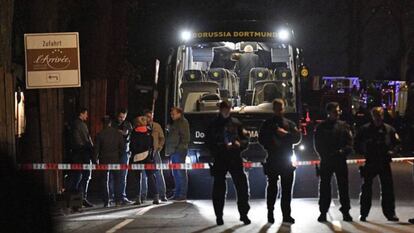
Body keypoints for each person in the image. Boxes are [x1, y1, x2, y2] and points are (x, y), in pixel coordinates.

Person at [207, 101, 251, 226]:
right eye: (223, 109)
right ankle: (219, 216)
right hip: (220, 158)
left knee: (242, 187)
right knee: (219, 189)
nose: (226, 111)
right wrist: (219, 148)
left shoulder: (236, 123)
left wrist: (240, 145)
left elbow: (245, 139)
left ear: (230, 109)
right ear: (220, 110)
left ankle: (244, 214)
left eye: (227, 109)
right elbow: (209, 142)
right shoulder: (214, 124)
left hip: (234, 157)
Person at [258, 99, 300, 224]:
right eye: (277, 108)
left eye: (280, 108)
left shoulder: (289, 123)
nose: (279, 111)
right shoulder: (267, 124)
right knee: (272, 188)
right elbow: (261, 139)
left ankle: (286, 215)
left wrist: (285, 134)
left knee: (286, 190)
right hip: (273, 157)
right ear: (274, 109)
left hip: (286, 158)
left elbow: (297, 138)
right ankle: (270, 213)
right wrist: (272, 141)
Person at [356, 107, 400, 222]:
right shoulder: (365, 130)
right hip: (370, 161)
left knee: (388, 190)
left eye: (380, 116)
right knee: (366, 189)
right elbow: (356, 143)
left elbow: (397, 144)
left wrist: (393, 151)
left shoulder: (389, 129)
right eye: (376, 116)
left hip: (384, 161)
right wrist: (364, 150)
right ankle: (363, 213)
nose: (378, 119)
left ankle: (390, 213)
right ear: (372, 116)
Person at [314, 102, 353, 222]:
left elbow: (350, 143)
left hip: (340, 160)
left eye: (338, 111)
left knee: (343, 187)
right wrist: (325, 156)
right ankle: (323, 212)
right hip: (327, 160)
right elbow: (317, 144)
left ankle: (345, 211)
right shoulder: (321, 127)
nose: (338, 113)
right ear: (329, 112)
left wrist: (343, 152)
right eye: (335, 111)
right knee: (325, 188)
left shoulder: (344, 126)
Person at [94, 116, 125, 207]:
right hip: (115, 159)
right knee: (117, 180)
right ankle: (118, 200)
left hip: (104, 160)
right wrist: (119, 157)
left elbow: (96, 150)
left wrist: (95, 160)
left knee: (104, 181)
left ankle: (106, 201)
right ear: (110, 123)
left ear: (103, 124)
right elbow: (122, 148)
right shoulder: (118, 134)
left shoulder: (100, 134)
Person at [130, 111, 159, 205]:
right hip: (148, 158)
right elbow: (152, 145)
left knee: (137, 178)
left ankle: (138, 198)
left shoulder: (134, 133)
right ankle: (156, 197)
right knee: (151, 177)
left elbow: (132, 146)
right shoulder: (149, 133)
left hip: (137, 157)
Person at [67, 107, 94, 208]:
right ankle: (81, 198)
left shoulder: (73, 124)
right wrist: (91, 151)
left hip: (75, 155)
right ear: (81, 114)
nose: (87, 116)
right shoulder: (81, 125)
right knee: (84, 177)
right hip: (83, 155)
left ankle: (75, 201)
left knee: (76, 177)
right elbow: (86, 140)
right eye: (86, 114)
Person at [165, 107, 190, 202]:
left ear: (179, 113)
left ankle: (182, 194)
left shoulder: (183, 122)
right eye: (171, 114)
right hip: (173, 151)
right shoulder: (175, 123)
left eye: (173, 114)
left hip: (179, 151)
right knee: (175, 173)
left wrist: (179, 147)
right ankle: (177, 193)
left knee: (181, 172)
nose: (172, 116)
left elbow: (185, 138)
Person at [111, 108, 134, 205]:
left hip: (124, 151)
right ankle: (112, 196)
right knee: (113, 175)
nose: (121, 119)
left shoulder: (127, 124)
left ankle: (122, 196)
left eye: (123, 117)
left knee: (122, 175)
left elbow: (127, 133)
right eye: (120, 117)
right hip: (114, 151)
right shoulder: (113, 124)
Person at [145, 109, 167, 202]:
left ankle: (162, 195)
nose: (149, 119)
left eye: (151, 116)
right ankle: (142, 196)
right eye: (148, 116)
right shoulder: (142, 126)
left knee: (159, 173)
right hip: (145, 153)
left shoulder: (157, 126)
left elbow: (162, 138)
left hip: (155, 152)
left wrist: (159, 147)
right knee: (143, 175)